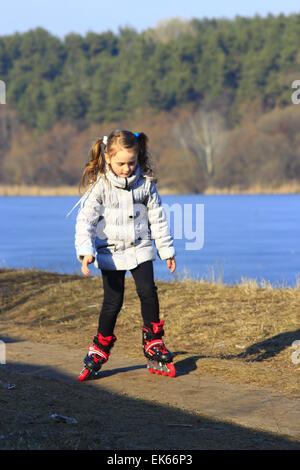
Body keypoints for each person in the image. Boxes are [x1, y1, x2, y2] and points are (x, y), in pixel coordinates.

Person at [74, 129, 177, 380]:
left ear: (138, 158)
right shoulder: (101, 186)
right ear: (108, 159)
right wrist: (86, 251)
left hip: (140, 248)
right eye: (121, 163)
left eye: (132, 162)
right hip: (110, 252)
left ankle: (153, 341)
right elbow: (85, 221)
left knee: (148, 291)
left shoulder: (146, 184)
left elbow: (159, 219)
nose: (127, 168)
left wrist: (166, 250)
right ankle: (100, 346)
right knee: (113, 302)